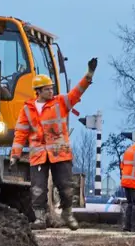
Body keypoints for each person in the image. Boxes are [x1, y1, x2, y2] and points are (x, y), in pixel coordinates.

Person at [9, 59, 95, 229]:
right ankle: (40, 219)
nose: (51, 91)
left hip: (60, 154)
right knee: (38, 189)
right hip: (39, 155)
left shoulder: (60, 102)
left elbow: (77, 92)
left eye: (51, 88)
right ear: (38, 91)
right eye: (47, 89)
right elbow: (20, 133)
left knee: (66, 187)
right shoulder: (27, 109)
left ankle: (67, 214)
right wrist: (15, 155)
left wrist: (89, 75)